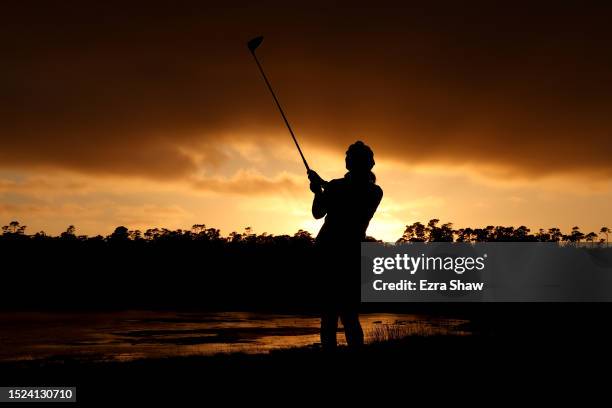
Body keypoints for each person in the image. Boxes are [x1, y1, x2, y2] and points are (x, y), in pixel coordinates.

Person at [307, 141, 383, 349]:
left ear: (358, 163)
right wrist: (319, 190)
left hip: (338, 255)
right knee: (341, 314)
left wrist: (321, 187)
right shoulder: (364, 189)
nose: (346, 159)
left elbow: (326, 208)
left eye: (350, 156)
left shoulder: (364, 190)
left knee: (337, 314)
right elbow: (319, 211)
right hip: (341, 254)